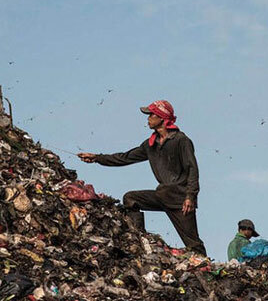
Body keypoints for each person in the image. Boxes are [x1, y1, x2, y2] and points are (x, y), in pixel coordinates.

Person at [78, 100, 207, 255]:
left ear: (161, 117)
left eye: (151, 114)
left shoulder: (181, 140)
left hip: (180, 199)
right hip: (162, 195)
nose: (148, 118)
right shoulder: (150, 144)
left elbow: (192, 169)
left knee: (193, 244)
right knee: (131, 198)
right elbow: (125, 158)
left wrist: (190, 197)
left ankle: (205, 269)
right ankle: (139, 239)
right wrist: (97, 158)